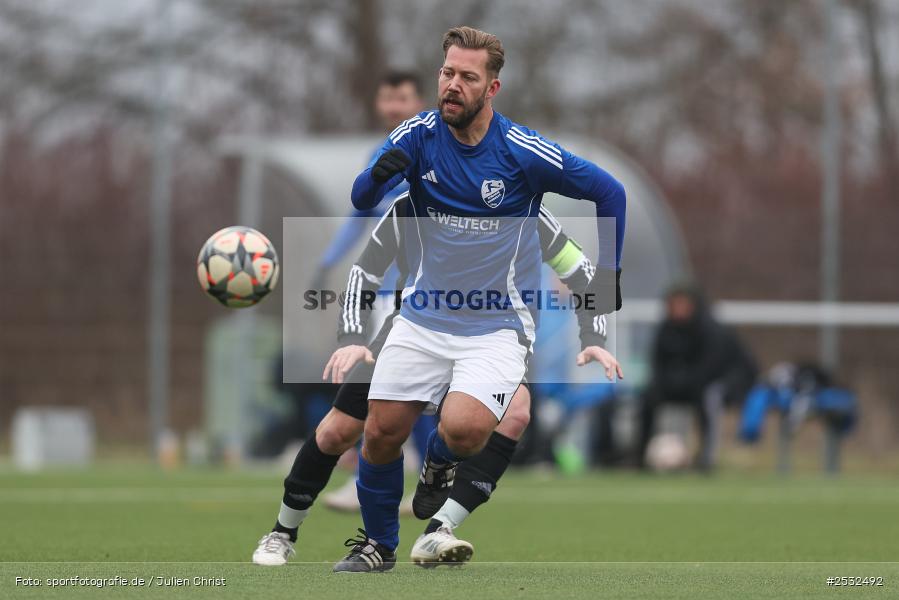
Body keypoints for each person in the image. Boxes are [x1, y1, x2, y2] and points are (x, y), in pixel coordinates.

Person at [334, 26, 626, 572]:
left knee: (466, 430)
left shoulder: (522, 152)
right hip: (420, 317)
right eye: (447, 73)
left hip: (497, 326)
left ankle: (440, 464)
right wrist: (377, 177)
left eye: (467, 77)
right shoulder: (415, 135)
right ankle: (378, 547)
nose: (452, 85)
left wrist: (607, 277)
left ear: (492, 88)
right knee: (378, 434)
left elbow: (611, 192)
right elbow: (361, 196)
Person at [251, 193, 616, 566]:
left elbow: (581, 271)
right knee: (337, 432)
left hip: (493, 339)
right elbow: (365, 270)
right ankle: (283, 531)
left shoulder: (525, 205)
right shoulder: (413, 201)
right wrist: (353, 337)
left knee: (515, 412)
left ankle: (439, 528)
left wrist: (594, 337)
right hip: (413, 332)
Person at [311, 71, 432, 512]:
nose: (394, 106)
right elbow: (358, 215)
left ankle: (414, 476)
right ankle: (403, 476)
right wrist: (326, 263)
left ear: (418, 100)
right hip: (387, 290)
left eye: (402, 97)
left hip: (427, 288)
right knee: (388, 383)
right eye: (387, 97)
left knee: (398, 385)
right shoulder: (378, 154)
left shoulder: (434, 148)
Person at [638, 283, 757, 471]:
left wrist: (684, 381)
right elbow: (658, 364)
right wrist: (667, 382)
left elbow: (711, 368)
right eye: (673, 304)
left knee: (710, 396)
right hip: (686, 383)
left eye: (682, 303)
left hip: (725, 382)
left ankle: (706, 459)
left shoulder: (712, 331)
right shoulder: (665, 330)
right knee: (648, 396)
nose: (678, 308)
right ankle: (641, 457)